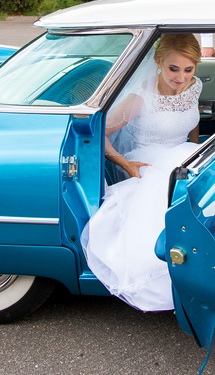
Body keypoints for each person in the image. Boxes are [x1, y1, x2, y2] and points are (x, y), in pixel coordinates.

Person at [81, 33, 203, 312]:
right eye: (173, 68)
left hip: (183, 154)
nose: (181, 77)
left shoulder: (194, 86)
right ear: (158, 62)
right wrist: (126, 165)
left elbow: (191, 122)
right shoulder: (140, 98)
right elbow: (99, 133)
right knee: (166, 189)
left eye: (188, 69)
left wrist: (196, 150)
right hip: (147, 160)